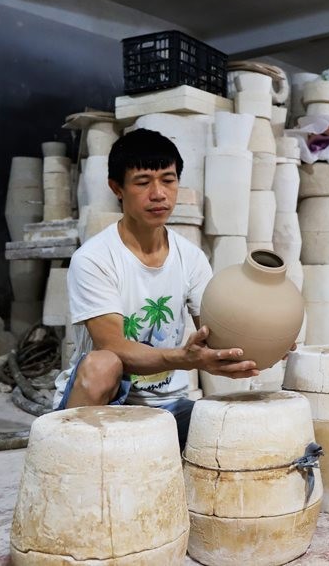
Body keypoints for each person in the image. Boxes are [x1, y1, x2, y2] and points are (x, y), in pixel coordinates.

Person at [52, 128, 259, 447]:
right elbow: (115, 347)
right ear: (116, 188)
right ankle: (69, 454)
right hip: (106, 404)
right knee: (102, 364)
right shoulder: (94, 258)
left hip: (167, 409)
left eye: (168, 179)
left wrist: (261, 342)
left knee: (241, 434)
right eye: (143, 182)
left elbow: (217, 333)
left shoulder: (191, 258)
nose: (159, 193)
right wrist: (186, 358)